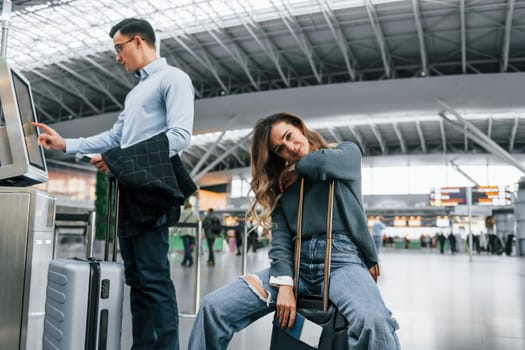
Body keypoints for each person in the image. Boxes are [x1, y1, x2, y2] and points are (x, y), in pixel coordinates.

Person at [34, 17, 194, 350]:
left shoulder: (173, 79)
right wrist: (68, 144)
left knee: (154, 280)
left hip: (152, 191)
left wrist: (120, 160)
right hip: (130, 191)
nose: (117, 57)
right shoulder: (137, 93)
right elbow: (115, 137)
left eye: (119, 48)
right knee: (137, 279)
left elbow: (179, 137)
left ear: (138, 41)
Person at [188, 112, 400, 349]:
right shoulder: (282, 186)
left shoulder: (345, 154)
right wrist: (285, 285)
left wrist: (298, 169)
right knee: (213, 307)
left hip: (342, 261)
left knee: (375, 321)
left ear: (300, 126)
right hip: (295, 265)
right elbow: (280, 242)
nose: (290, 147)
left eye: (289, 136)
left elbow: (321, 163)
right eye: (280, 148)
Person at [178, 203, 200, 267]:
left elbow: (179, 222)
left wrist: (173, 232)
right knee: (190, 248)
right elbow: (198, 222)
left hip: (185, 233)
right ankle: (184, 261)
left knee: (186, 247)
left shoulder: (183, 213)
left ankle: (191, 259)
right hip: (192, 233)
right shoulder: (195, 213)